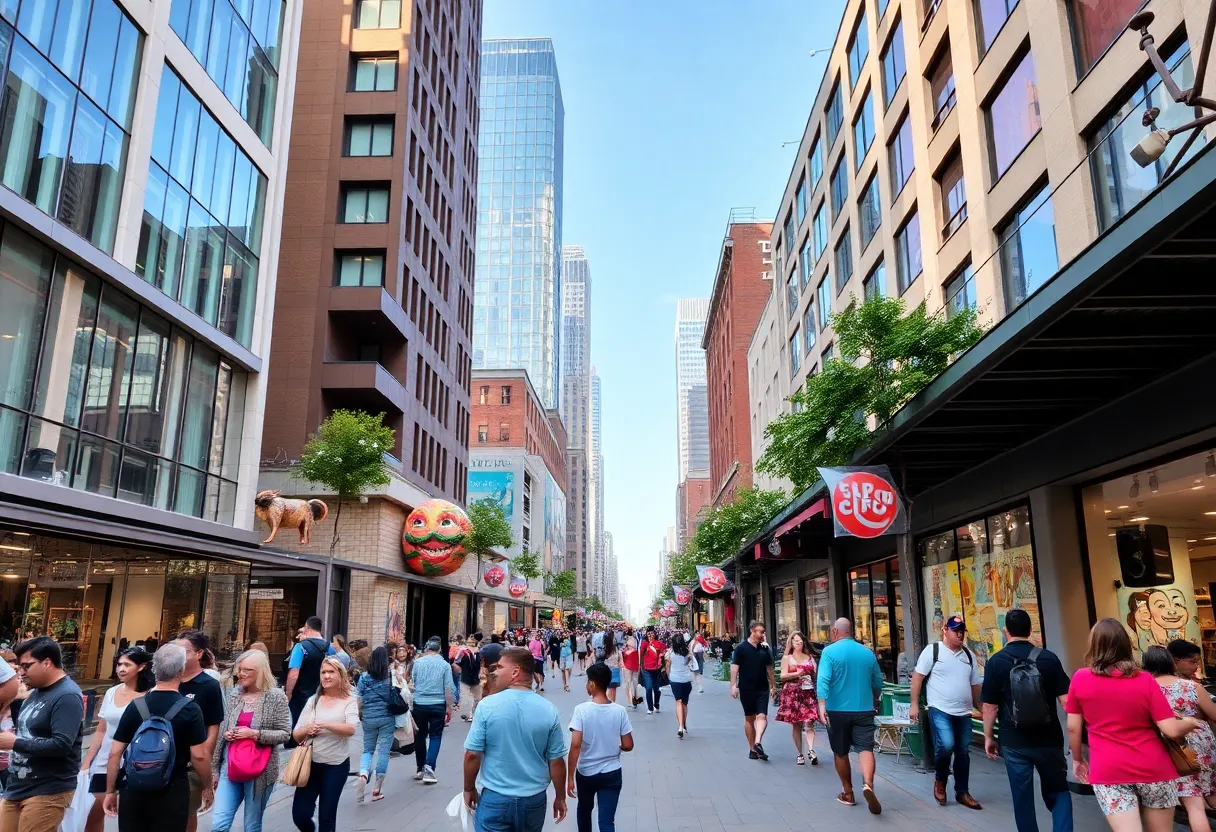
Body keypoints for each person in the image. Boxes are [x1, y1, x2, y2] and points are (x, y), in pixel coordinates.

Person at [1066, 618, 1200, 831]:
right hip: (1153, 767)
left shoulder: (1081, 678)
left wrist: (1077, 759)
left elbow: (1073, 727)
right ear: (1126, 645)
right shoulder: (1144, 679)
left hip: (1109, 769)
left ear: (1094, 645)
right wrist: (1191, 722)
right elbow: (1170, 729)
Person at [980, 608, 1073, 832]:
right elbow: (1067, 702)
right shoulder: (1049, 659)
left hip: (1014, 741)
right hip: (1049, 739)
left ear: (1005, 631)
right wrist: (1075, 734)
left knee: (1022, 797)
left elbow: (990, 706)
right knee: (1059, 790)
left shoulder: (996, 662)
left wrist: (988, 737)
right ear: (1031, 630)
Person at [102, 644, 210, 832]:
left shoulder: (136, 705)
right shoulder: (190, 709)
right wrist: (207, 785)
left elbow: (115, 753)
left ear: (154, 669)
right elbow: (199, 756)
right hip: (172, 790)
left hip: (134, 788)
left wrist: (111, 791)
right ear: (181, 670)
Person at [463, 648, 568, 832]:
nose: (496, 671)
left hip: (496, 798)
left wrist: (469, 788)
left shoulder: (487, 706)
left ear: (515, 672)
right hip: (534, 799)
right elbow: (556, 761)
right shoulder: (548, 709)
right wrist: (560, 796)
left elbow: (472, 755)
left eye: (501, 667)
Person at [0, 637, 84, 832]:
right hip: (18, 786)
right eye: (19, 666)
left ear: (47, 662)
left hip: (48, 788)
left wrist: (15, 743)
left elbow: (62, 745)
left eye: (26, 666)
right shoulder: (37, 691)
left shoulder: (67, 695)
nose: (21, 672)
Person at [209, 649, 290, 832]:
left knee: (251, 826)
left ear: (260, 671)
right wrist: (214, 767)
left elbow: (285, 734)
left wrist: (253, 734)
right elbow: (223, 729)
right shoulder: (234, 695)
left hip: (260, 770)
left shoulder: (275, 697)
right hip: (230, 766)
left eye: (247, 670)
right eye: (240, 669)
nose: (241, 674)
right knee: (219, 824)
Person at [910, 614, 983, 810]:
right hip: (940, 709)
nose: (960, 635)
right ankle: (940, 780)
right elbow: (917, 677)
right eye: (956, 631)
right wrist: (914, 704)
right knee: (946, 745)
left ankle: (962, 792)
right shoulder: (933, 651)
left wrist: (981, 707)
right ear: (945, 630)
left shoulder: (968, 655)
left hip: (964, 712)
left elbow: (975, 684)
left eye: (962, 632)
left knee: (963, 751)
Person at [1144, 645, 1216, 831]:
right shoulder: (1192, 687)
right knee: (1213, 796)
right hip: (1202, 747)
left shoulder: (1146, 689)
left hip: (1173, 750)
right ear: (1171, 661)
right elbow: (1214, 714)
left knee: (1194, 807)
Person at [81, 647, 153, 832]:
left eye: (127, 665)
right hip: (104, 760)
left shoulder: (150, 695)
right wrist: (88, 760)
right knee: (95, 812)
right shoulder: (112, 692)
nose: (121, 669)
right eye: (119, 664)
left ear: (141, 667)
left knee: (131, 816)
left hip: (135, 762)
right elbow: (101, 730)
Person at [816, 618, 883, 815]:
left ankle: (848, 792)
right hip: (863, 709)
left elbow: (823, 679)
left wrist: (822, 705)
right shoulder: (867, 653)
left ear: (835, 631)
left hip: (837, 710)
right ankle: (868, 784)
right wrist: (875, 700)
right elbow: (878, 681)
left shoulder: (829, 652)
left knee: (840, 751)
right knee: (865, 748)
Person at [290, 657, 357, 832]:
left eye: (331, 672)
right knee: (300, 815)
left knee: (327, 816)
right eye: (323, 672)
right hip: (310, 764)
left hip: (336, 766)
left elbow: (351, 729)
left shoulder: (349, 701)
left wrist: (326, 725)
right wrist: (308, 729)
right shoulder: (314, 700)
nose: (326, 676)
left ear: (341, 675)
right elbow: (296, 735)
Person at [568, 663, 633, 832]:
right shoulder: (619, 711)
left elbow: (575, 746)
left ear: (592, 684)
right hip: (612, 772)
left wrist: (569, 778)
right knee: (606, 822)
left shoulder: (581, 710)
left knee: (584, 811)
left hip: (586, 773)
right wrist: (617, 747)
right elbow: (628, 744)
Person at [175, 630, 225, 832]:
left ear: (199, 653)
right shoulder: (166, 679)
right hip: (162, 758)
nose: (178, 655)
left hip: (190, 762)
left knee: (186, 813)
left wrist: (204, 757)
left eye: (184, 651)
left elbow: (213, 725)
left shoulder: (209, 685)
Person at [354, 646, 397, 803]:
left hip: (369, 717)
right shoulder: (390, 676)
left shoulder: (364, 677)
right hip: (387, 717)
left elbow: (358, 699)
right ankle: (377, 789)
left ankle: (364, 774)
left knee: (368, 750)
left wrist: (360, 714)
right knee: (384, 752)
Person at [411, 636, 456, 784]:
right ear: (439, 650)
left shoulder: (417, 663)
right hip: (438, 704)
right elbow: (448, 687)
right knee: (435, 736)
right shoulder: (444, 665)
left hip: (419, 703)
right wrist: (450, 707)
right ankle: (430, 769)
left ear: (427, 648)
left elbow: (414, 681)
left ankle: (420, 768)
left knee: (420, 735)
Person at [730, 622, 776, 760]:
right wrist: (733, 685)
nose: (763, 634)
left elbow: (769, 669)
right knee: (749, 719)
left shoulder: (764, 649)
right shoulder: (741, 648)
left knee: (762, 716)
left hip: (762, 688)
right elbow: (734, 667)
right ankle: (752, 749)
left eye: (764, 632)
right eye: (760, 632)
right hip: (746, 688)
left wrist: (773, 685)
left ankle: (757, 742)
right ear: (752, 631)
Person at [285, 617, 335, 734]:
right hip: (323, 692)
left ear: (307, 628)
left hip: (301, 694)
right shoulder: (330, 648)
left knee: (298, 724)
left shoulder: (300, 647)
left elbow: (294, 673)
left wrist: (288, 693)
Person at [775, 631, 819, 766]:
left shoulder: (809, 657)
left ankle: (811, 750)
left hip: (808, 691)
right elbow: (782, 676)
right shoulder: (787, 658)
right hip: (793, 693)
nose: (799, 643)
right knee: (796, 724)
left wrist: (812, 673)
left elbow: (815, 674)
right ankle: (800, 753)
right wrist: (799, 673)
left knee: (809, 721)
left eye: (800, 641)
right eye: (796, 641)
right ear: (791, 643)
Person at [665, 634, 696, 739]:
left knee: (678, 701)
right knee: (684, 703)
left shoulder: (670, 653)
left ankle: (680, 726)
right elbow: (691, 663)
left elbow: (667, 666)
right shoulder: (687, 653)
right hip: (686, 680)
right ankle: (684, 724)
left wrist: (669, 677)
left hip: (675, 680)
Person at [640, 630, 666, 715]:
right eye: (648, 634)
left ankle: (656, 705)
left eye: (652, 633)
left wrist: (662, 657)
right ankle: (650, 708)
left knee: (656, 688)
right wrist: (640, 666)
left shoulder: (659, 644)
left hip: (656, 669)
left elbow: (665, 652)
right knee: (648, 688)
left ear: (655, 635)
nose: (650, 635)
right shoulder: (644, 643)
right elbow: (641, 655)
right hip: (646, 669)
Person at [457, 638, 483, 722]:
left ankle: (474, 714)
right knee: (468, 698)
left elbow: (481, 664)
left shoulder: (479, 653)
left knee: (478, 698)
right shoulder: (462, 652)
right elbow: (456, 663)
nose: (471, 644)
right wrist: (461, 672)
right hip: (466, 678)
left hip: (476, 678)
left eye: (472, 642)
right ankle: (470, 715)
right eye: (469, 642)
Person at [620, 636, 639, 710]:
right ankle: (634, 699)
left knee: (629, 684)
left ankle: (631, 700)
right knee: (634, 683)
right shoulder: (636, 651)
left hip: (628, 667)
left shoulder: (625, 651)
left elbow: (622, 660)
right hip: (633, 667)